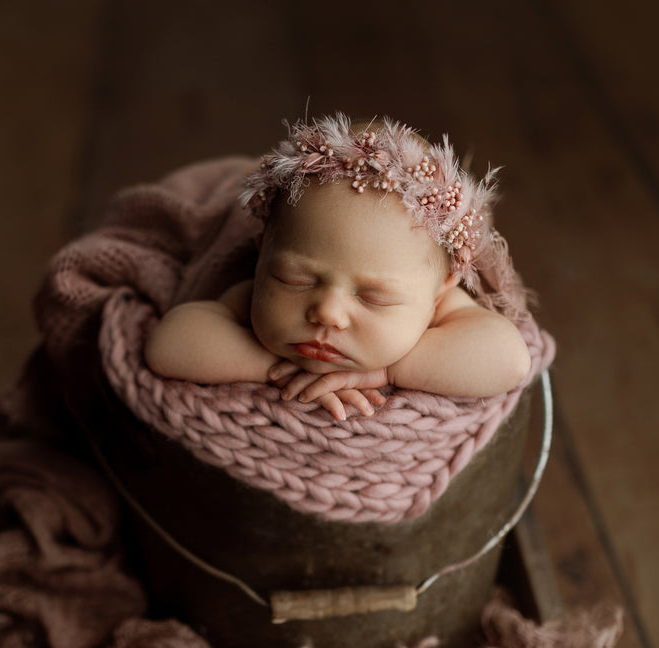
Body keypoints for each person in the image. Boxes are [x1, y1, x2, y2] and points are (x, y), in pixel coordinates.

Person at [144, 113, 532, 420]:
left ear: (439, 290)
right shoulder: (248, 297)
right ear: (261, 256)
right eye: (294, 279)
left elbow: (509, 360)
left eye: (374, 297)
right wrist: (269, 365)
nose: (327, 312)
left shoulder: (441, 311)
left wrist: (387, 371)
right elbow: (168, 345)